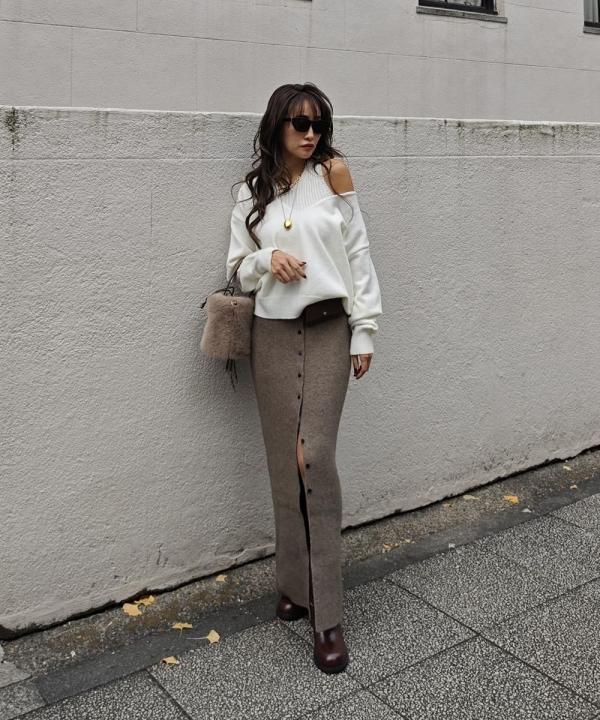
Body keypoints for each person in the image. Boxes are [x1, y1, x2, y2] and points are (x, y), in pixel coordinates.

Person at [225, 82, 382, 673]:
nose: (311, 133)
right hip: (270, 335)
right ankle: (292, 586)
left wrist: (364, 329)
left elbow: (359, 254)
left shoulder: (334, 180)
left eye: (318, 123)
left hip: (328, 330)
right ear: (277, 126)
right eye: (299, 123)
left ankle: (328, 615)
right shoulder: (251, 192)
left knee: (312, 458)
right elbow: (237, 268)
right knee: (282, 465)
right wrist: (266, 260)